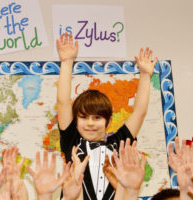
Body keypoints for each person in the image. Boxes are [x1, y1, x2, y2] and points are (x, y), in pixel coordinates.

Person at [56, 32, 158, 200]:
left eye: (97, 118)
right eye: (83, 117)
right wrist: (67, 62)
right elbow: (63, 102)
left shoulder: (119, 145)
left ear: (108, 122)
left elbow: (139, 112)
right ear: (76, 120)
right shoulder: (71, 140)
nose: (90, 123)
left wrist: (146, 76)